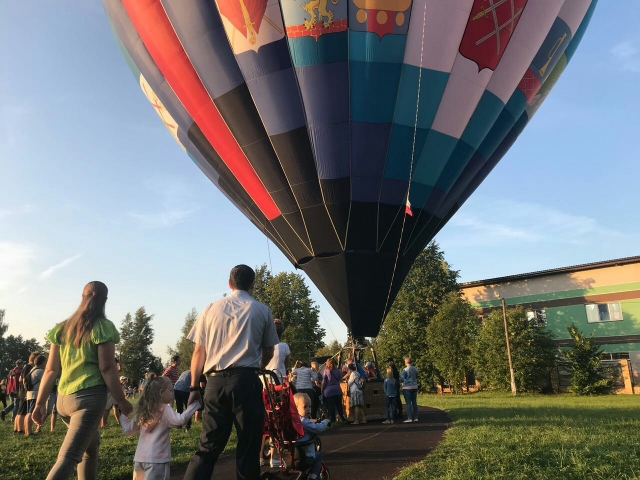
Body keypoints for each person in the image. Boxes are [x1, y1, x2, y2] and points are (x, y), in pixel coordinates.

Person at [183, 264, 279, 480]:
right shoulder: (262, 310)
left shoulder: (210, 308)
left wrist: (193, 387)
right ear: (252, 285)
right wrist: (260, 367)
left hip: (214, 382)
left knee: (208, 446)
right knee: (248, 446)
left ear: (229, 283)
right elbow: (269, 349)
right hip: (246, 381)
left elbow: (199, 351)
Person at [32, 281, 133, 480]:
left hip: (63, 400)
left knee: (91, 446)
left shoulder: (62, 328)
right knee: (68, 458)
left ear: (82, 296)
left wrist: (40, 403)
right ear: (105, 300)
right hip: (88, 399)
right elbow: (107, 367)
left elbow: (51, 369)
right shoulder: (102, 327)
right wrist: (121, 401)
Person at [118, 375, 200, 480]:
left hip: (140, 459)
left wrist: (123, 415)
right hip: (158, 460)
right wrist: (195, 404)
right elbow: (181, 420)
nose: (172, 393)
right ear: (161, 393)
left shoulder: (142, 411)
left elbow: (128, 430)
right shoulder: (165, 409)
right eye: (170, 390)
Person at [293, 393, 329, 480]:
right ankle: (313, 476)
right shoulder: (304, 422)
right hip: (305, 455)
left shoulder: (294, 420)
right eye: (305, 407)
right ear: (296, 408)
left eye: (309, 406)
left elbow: (308, 421)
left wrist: (313, 420)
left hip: (293, 455)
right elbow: (318, 428)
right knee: (318, 456)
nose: (308, 409)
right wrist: (325, 422)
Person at [25, 354, 46, 435]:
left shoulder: (32, 370)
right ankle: (29, 432)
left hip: (29, 394)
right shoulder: (40, 371)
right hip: (35, 394)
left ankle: (27, 431)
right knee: (31, 413)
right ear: (43, 362)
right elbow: (47, 381)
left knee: (28, 413)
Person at [265, 319, 290, 383]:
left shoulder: (264, 346)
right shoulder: (285, 346)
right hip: (280, 381)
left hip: (266, 381)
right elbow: (286, 365)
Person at [321, 358, 345, 423]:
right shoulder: (338, 370)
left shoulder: (326, 371)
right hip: (337, 389)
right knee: (339, 405)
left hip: (328, 391)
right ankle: (342, 418)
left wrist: (322, 389)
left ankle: (333, 420)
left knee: (331, 406)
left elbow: (323, 381)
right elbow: (341, 380)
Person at [400, 356, 419, 423]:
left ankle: (409, 418)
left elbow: (402, 378)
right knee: (414, 402)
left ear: (406, 362)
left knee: (408, 403)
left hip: (407, 387)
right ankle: (416, 417)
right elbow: (417, 374)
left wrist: (402, 381)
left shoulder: (405, 370)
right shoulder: (415, 369)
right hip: (414, 386)